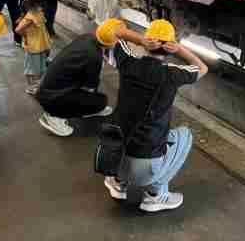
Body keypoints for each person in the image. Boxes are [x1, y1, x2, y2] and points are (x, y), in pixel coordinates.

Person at [100, 19, 207, 213]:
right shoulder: (172, 75)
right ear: (169, 48)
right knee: (183, 135)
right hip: (146, 168)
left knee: (128, 127)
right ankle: (155, 196)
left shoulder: (128, 62)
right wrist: (179, 49)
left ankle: (117, 184)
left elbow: (109, 31)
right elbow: (202, 68)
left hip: (113, 159)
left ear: (149, 43)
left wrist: (140, 40)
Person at [35, 18, 115, 137]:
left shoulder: (87, 38)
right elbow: (90, 88)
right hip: (52, 99)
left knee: (96, 99)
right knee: (101, 101)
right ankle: (53, 116)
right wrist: (97, 69)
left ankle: (64, 109)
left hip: (46, 89)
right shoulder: (94, 57)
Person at [15, 0, 51, 95]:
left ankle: (38, 85)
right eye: (40, 4)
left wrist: (47, 44)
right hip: (33, 47)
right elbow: (18, 30)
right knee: (32, 68)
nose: (41, 6)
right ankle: (32, 87)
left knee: (41, 67)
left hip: (41, 45)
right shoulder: (29, 17)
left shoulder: (39, 13)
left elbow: (43, 30)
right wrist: (26, 37)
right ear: (34, 4)